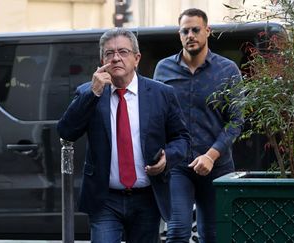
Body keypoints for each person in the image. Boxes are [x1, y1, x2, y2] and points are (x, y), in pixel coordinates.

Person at [57, 28, 190, 243]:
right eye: (109, 53)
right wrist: (93, 93)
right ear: (102, 60)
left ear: (136, 58)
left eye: (123, 52)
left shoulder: (161, 94)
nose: (116, 58)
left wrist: (168, 158)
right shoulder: (88, 92)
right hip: (105, 198)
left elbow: (182, 138)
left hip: (147, 197)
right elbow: (66, 131)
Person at [153, 8, 243, 243]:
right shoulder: (163, 69)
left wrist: (211, 156)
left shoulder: (227, 70)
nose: (190, 35)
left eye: (195, 30)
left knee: (213, 236)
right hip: (177, 165)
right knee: (177, 232)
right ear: (179, 34)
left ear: (207, 31)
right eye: (185, 31)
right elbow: (155, 117)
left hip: (217, 166)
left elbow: (236, 121)